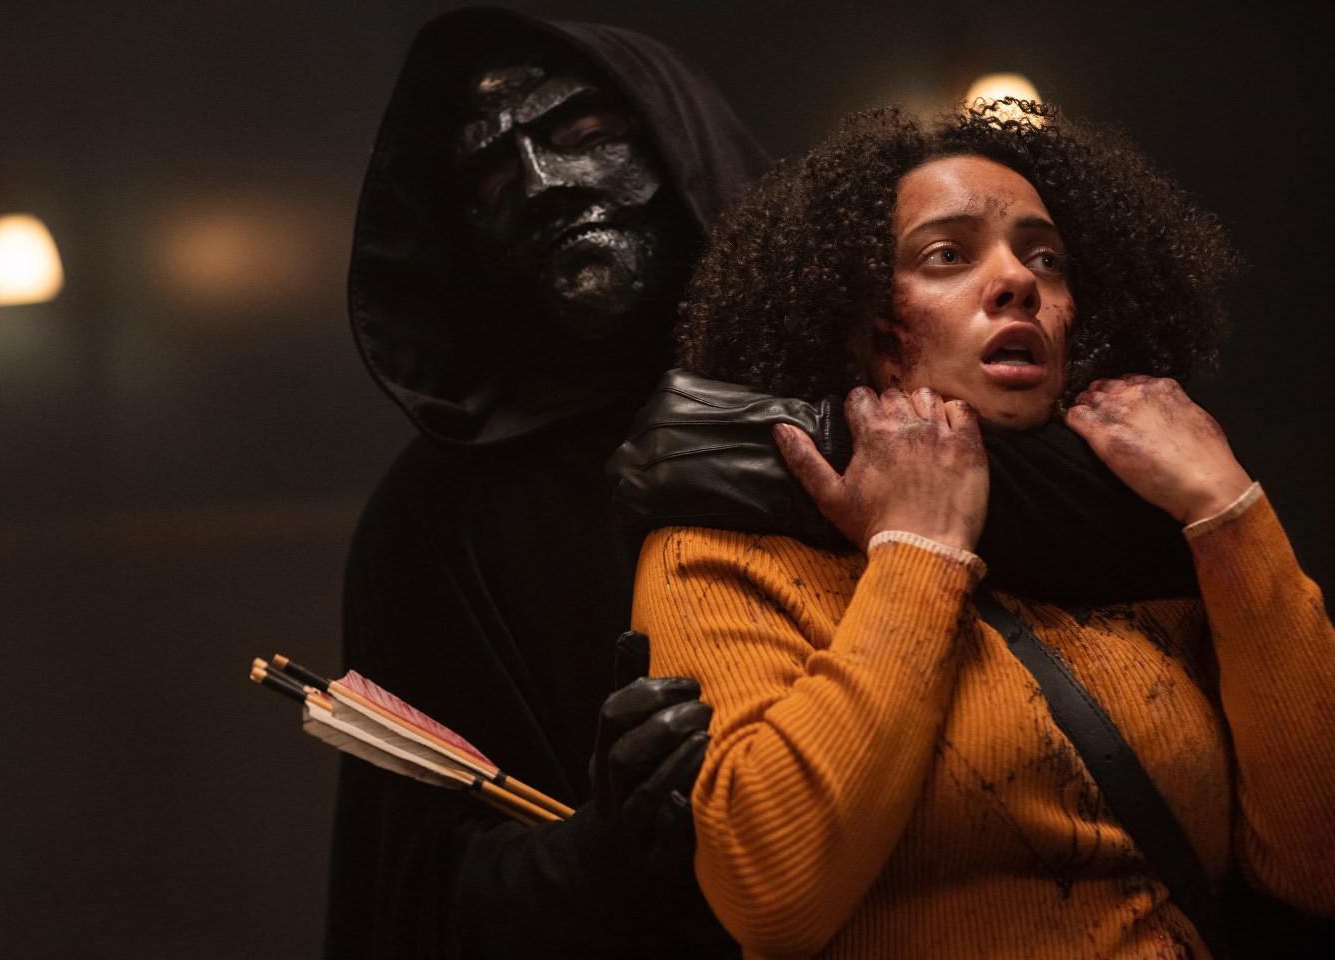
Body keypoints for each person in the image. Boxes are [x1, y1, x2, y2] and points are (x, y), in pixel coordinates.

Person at [618, 101, 1335, 958]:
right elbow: (772, 895)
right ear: (869, 329)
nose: (1019, 280)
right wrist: (918, 550)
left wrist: (1229, 508)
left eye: (1046, 260)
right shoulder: (722, 547)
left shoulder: (1145, 536)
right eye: (947, 256)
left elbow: (1318, 867)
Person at [326, 7, 769, 959]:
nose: (538, 185)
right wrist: (604, 848)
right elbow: (413, 897)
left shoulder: (879, 393)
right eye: (491, 175)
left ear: (678, 144)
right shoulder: (430, 524)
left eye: (585, 134)